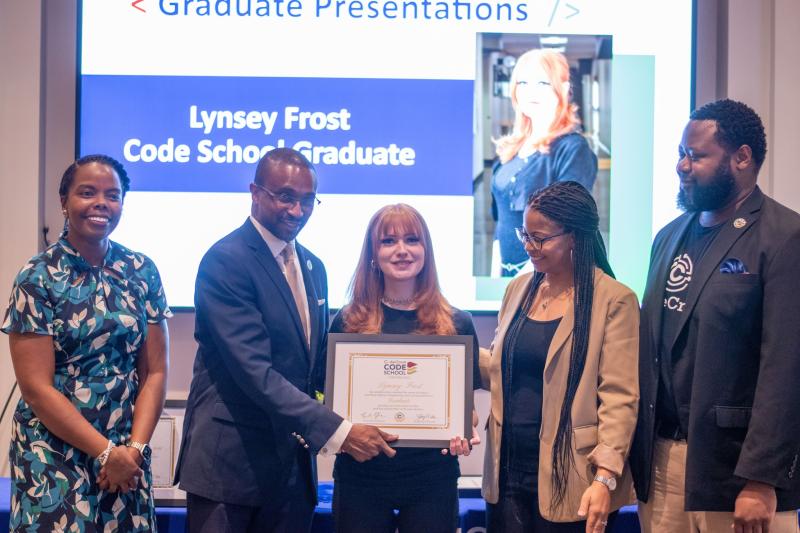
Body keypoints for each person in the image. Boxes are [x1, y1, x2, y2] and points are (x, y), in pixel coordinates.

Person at [174, 148, 396, 533]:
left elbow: (318, 365)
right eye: (285, 197)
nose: (298, 210)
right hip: (230, 470)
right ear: (255, 192)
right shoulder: (226, 261)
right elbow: (254, 372)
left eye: (308, 199)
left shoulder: (313, 266)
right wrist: (341, 431)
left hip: (291, 473)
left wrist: (400, 401)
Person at [630, 99, 800, 532]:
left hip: (736, 477)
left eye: (697, 155)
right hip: (662, 467)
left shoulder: (784, 237)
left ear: (741, 158)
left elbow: (786, 368)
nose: (683, 166)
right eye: (680, 154)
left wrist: (761, 479)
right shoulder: (668, 237)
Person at [1, 155, 171, 530]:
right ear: (64, 201)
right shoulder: (37, 276)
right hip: (52, 452)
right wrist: (104, 453)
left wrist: (134, 451)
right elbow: (36, 389)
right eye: (87, 193)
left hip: (127, 452)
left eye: (112, 195)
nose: (101, 203)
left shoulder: (142, 270)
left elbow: (155, 371)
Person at [481, 181, 639, 532]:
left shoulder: (614, 300)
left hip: (575, 477)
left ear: (574, 237)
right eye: (526, 234)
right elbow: (499, 366)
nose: (529, 246)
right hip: (506, 472)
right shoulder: (517, 289)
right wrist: (447, 356)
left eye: (541, 238)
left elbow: (619, 397)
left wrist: (605, 478)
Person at [329, 203, 481, 533]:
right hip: (361, 477)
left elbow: (466, 409)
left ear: (425, 251)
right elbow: (323, 398)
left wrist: (465, 427)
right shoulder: (347, 322)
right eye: (388, 241)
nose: (402, 251)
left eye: (412, 240)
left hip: (432, 478)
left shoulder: (457, 323)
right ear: (373, 253)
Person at [492, 49, 598, 277]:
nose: (531, 91)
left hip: (546, 277)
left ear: (564, 89)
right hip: (505, 272)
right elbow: (500, 220)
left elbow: (567, 228)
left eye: (542, 82)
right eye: (523, 82)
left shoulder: (572, 149)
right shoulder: (510, 148)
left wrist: (526, 281)